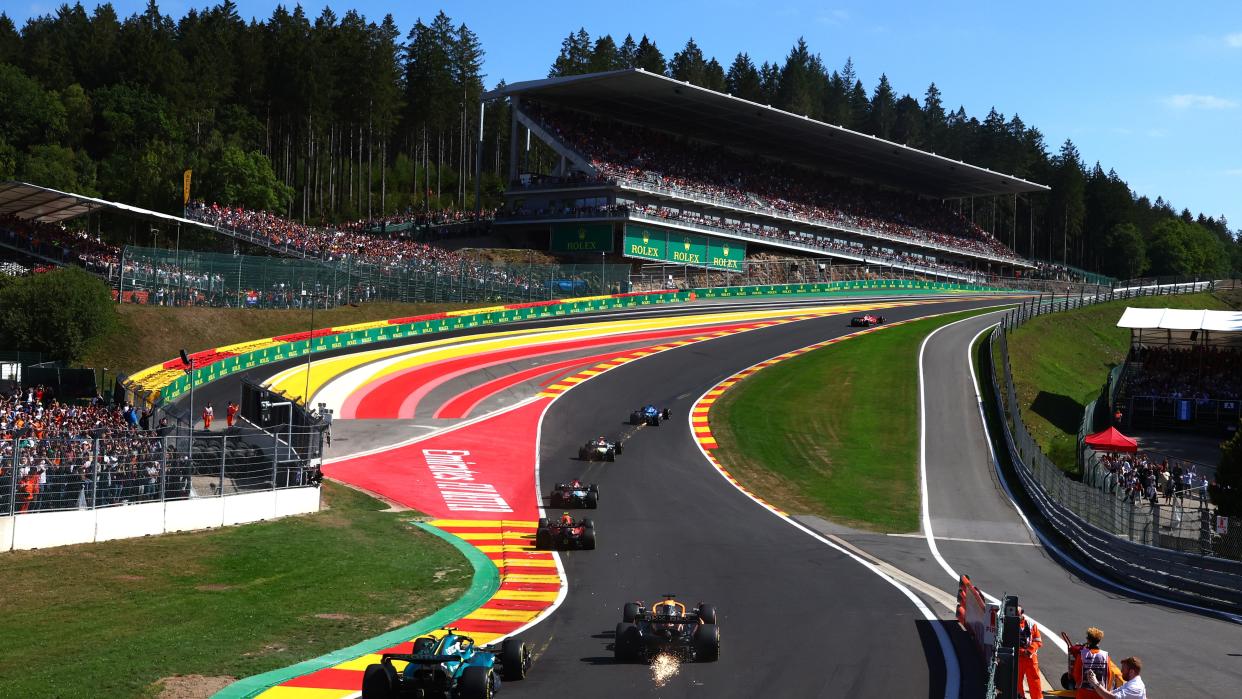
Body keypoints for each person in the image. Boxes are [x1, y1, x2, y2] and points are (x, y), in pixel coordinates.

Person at [1071, 627, 1122, 699]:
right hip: (1099, 694)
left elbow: (1076, 673)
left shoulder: (1082, 655)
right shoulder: (1105, 656)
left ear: (1088, 640)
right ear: (1099, 641)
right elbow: (1109, 675)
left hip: (1084, 693)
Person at [1016, 606, 1043, 699]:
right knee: (1017, 682)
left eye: (1017, 614)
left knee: (1035, 681)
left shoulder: (1031, 624)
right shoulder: (1009, 625)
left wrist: (1029, 650)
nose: (1016, 616)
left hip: (1030, 658)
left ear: (1022, 614)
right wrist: (1021, 651)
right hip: (1018, 658)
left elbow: (1038, 641)